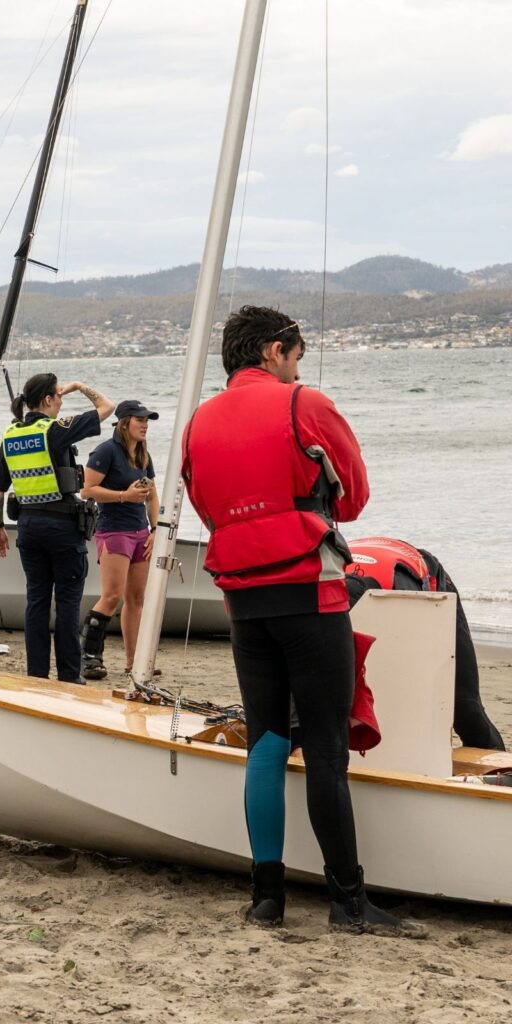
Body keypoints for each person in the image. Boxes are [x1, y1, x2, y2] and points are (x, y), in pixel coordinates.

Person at [181, 304, 420, 937]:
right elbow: (355, 497)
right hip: (309, 593)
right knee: (325, 748)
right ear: (273, 351)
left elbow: (204, 503)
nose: (297, 369)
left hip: (242, 599)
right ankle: (348, 903)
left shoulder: (198, 420)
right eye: (295, 357)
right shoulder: (302, 404)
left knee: (265, 742)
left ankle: (267, 900)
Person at [0, 374, 113, 683]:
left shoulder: (11, 435)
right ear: (46, 399)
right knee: (67, 603)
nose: (61, 402)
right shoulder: (54, 430)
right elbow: (107, 407)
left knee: (37, 602)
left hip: (28, 528)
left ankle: (36, 675)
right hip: (62, 527)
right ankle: (69, 676)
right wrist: (80, 386)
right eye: (59, 396)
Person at [343, 538, 505, 751]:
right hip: (364, 560)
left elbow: (416, 668)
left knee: (464, 707)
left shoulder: (400, 597)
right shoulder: (316, 601)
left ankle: (499, 764)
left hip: (421, 572)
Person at [79, 401, 161, 680]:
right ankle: (90, 657)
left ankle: (133, 661)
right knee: (112, 596)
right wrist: (124, 496)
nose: (145, 425)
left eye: (147, 421)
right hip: (113, 531)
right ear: (125, 423)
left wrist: (155, 529)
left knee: (136, 598)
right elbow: (87, 490)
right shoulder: (106, 451)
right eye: (140, 420)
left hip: (140, 532)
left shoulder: (143, 453)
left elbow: (152, 495)